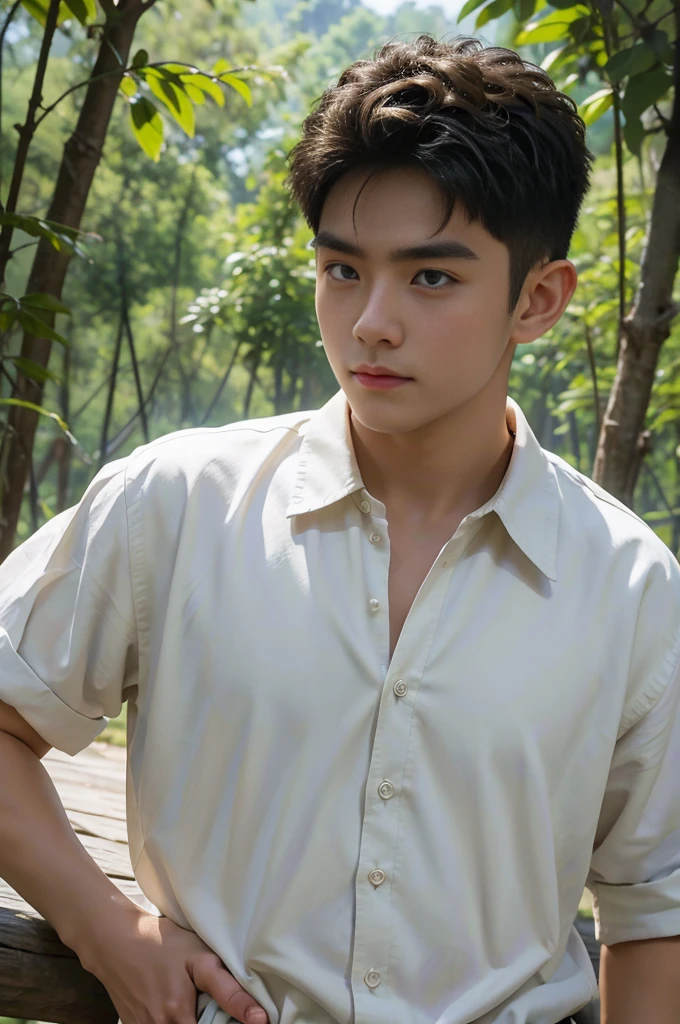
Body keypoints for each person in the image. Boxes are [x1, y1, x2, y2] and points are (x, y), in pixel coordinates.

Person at [0, 33, 679, 1024]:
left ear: (536, 298)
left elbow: (652, 909)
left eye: (430, 278)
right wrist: (106, 927)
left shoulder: (626, 585)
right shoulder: (178, 501)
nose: (369, 322)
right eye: (341, 269)